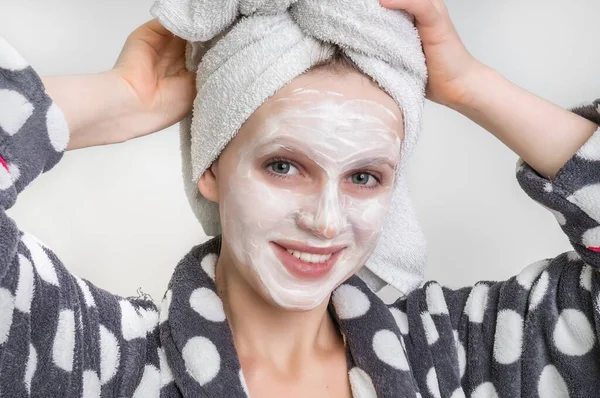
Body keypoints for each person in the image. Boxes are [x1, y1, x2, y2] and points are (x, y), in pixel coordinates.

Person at [0, 1, 598, 397]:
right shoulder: (90, 361)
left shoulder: (467, 358)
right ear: (209, 168)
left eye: (365, 177)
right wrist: (119, 99)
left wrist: (472, 84)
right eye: (284, 166)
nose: (325, 220)